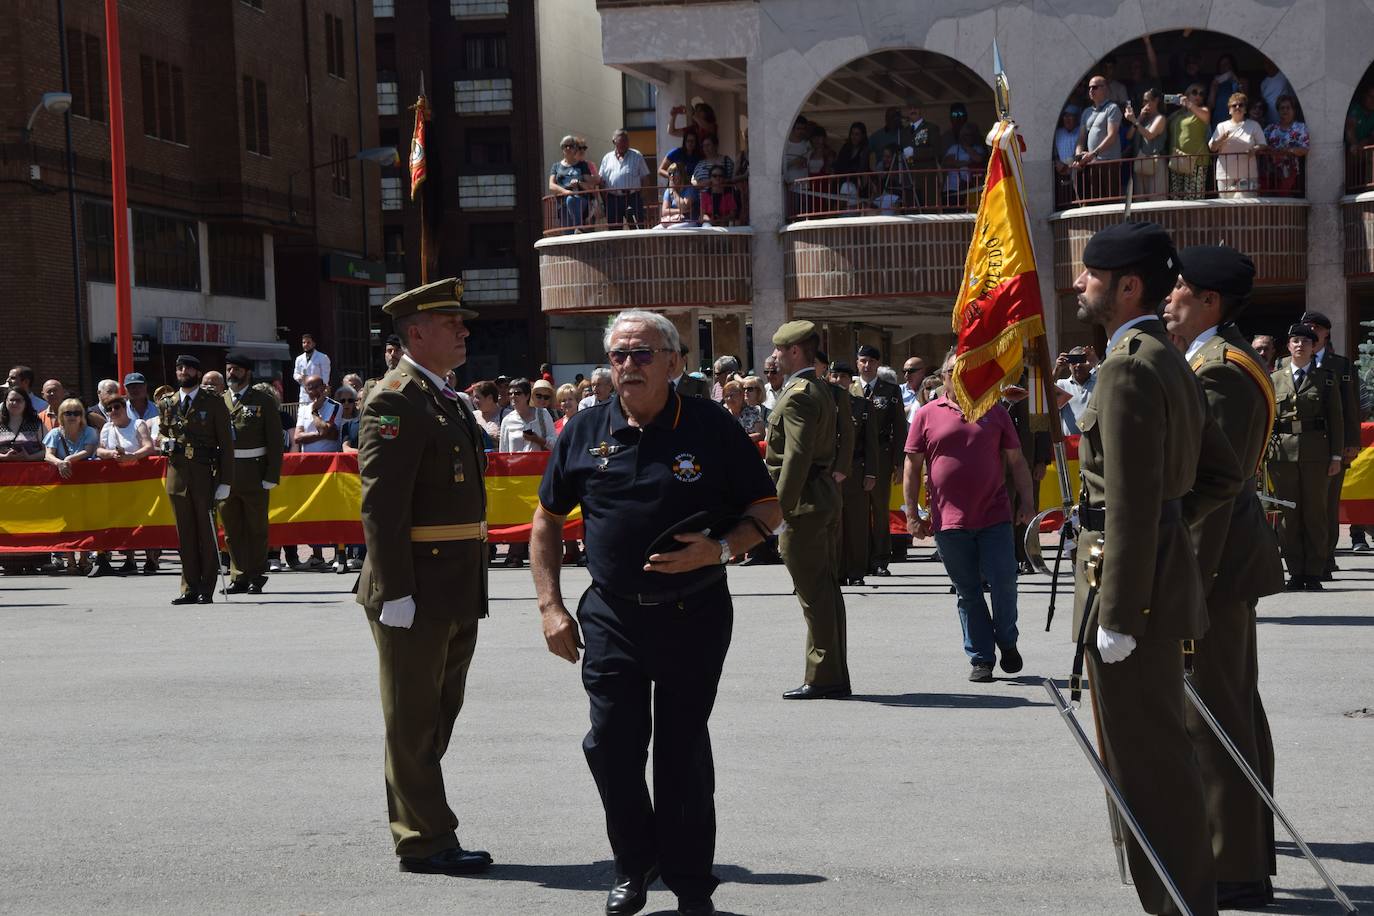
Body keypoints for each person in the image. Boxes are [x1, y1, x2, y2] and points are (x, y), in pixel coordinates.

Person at [532, 309, 778, 916]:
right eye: (618, 355)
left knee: (680, 748)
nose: (628, 365)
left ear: (674, 362)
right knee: (612, 744)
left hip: (693, 612)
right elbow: (545, 520)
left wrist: (717, 550)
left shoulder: (710, 424)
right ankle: (632, 862)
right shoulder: (584, 429)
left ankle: (691, 881)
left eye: (642, 354)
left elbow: (768, 510)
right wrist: (550, 608)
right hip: (612, 615)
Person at [1068, 220, 1243, 916]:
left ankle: (1179, 907)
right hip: (1146, 587)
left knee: (1150, 768)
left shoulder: (1129, 365)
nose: (1080, 284)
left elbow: (1134, 505)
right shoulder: (1164, 356)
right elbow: (1219, 476)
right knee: (1156, 758)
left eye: (1089, 274)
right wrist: (1167, 542)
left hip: (1130, 603)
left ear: (1126, 284)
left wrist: (1119, 610)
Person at [355, 277, 494, 877]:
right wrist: (395, 590)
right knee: (412, 719)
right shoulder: (396, 399)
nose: (464, 330)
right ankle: (423, 838)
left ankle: (423, 820)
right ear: (416, 332)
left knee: (438, 711)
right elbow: (382, 507)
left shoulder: (442, 398)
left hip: (455, 583)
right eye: (450, 322)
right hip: (416, 587)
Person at [1162, 246, 1285, 907]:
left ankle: (1235, 864)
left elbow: (1212, 489)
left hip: (1214, 569)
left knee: (1215, 716)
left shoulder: (1222, 372)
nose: (1169, 297)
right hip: (1224, 564)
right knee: (1227, 708)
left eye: (1180, 289)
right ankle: (1240, 853)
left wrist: (1185, 587)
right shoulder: (1214, 360)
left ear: (1210, 302)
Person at [904, 352, 1032, 681]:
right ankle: (981, 657)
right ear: (943, 376)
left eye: (966, 370)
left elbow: (1017, 461)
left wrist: (1027, 503)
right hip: (948, 521)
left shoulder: (995, 411)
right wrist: (911, 513)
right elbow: (912, 465)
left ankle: (1006, 637)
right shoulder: (926, 415)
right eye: (952, 371)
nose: (958, 376)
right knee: (968, 591)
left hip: (994, 515)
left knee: (1004, 581)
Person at [766, 320, 848, 700]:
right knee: (825, 592)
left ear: (795, 351)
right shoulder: (818, 388)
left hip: (804, 504)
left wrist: (778, 511)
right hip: (821, 497)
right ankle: (830, 671)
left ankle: (823, 677)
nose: (774, 356)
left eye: (779, 350)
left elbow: (795, 457)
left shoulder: (797, 393)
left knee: (814, 595)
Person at [1282, 310, 1361, 577]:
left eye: (1314, 328)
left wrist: (1349, 443)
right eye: (1304, 329)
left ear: (1325, 333)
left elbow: (1347, 409)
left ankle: (1324, 559)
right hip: (1291, 450)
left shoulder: (1339, 366)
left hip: (1326, 446)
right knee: (1295, 508)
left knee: (1324, 505)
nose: (1308, 334)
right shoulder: (1283, 368)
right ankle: (1305, 562)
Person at [1268, 323, 1344, 590]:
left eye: (1306, 341)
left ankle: (1313, 571)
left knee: (1315, 513)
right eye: (1295, 340)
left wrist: (1336, 456)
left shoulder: (1326, 379)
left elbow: (1336, 419)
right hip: (1282, 455)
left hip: (1316, 454)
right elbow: (1267, 419)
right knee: (1289, 514)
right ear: (1288, 346)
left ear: (1314, 348)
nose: (1300, 345)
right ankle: (1295, 571)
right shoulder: (1275, 378)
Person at [157, 354, 234, 605]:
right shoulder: (168, 402)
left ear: (197, 373)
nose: (183, 371)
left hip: (205, 473)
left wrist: (226, 481)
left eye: (188, 367)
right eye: (179, 367)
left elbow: (226, 444)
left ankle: (206, 588)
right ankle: (189, 587)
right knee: (186, 535)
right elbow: (162, 432)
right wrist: (163, 443)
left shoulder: (212, 401)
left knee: (206, 534)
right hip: (177, 475)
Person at [219, 351, 284, 595]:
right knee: (232, 529)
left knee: (256, 528)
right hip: (228, 474)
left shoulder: (263, 401)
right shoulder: (221, 400)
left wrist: (271, 474)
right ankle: (239, 576)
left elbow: (275, 441)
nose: (231, 373)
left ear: (247, 372)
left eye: (236, 369)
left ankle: (256, 575)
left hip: (255, 472)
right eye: (228, 369)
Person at [854, 344, 906, 577]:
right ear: (857, 362)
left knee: (880, 508)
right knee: (858, 510)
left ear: (878, 364)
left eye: (871, 362)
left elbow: (899, 427)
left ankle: (880, 558)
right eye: (863, 361)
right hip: (855, 456)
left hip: (882, 455)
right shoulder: (849, 388)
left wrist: (899, 461)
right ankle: (860, 557)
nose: (867, 366)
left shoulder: (890, 390)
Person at [830, 362, 877, 586]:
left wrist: (871, 473)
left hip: (856, 470)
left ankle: (857, 572)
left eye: (843, 376)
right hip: (830, 473)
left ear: (851, 380)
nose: (838, 380)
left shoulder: (862, 405)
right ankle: (837, 571)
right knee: (835, 526)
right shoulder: (824, 404)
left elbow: (871, 443)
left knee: (857, 525)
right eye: (834, 376)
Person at [1074, 75, 1123, 200]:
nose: (1091, 90)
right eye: (1089, 87)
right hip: (1092, 164)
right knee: (1094, 202)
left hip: (1109, 163)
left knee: (1111, 202)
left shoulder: (1112, 108)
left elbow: (1111, 136)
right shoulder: (1086, 112)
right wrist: (1079, 156)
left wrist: (1093, 153)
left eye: (1095, 87)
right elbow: (1081, 138)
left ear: (1105, 89)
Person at [1210, 93, 1266, 199]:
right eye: (1234, 105)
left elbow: (1263, 144)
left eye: (1241, 105)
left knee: (1247, 207)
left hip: (1248, 175)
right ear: (1229, 110)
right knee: (1227, 209)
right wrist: (1221, 139)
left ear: (1245, 109)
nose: (1237, 107)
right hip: (1225, 176)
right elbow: (1212, 148)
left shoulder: (1254, 125)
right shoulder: (1221, 126)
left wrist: (1254, 149)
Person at [599, 128, 651, 229]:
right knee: (615, 230)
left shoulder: (637, 155)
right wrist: (606, 200)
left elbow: (646, 179)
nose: (624, 143)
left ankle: (638, 245)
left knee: (637, 229)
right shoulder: (607, 158)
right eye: (621, 141)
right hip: (613, 198)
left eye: (626, 141)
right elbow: (601, 181)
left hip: (633, 197)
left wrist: (641, 198)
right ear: (614, 141)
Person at [1167, 84, 1212, 200]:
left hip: (1196, 161)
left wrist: (1189, 104)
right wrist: (1174, 104)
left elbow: (1206, 117)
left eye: (1201, 94)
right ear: (1186, 95)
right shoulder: (1177, 114)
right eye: (1194, 92)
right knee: (1177, 198)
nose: (1198, 95)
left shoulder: (1203, 110)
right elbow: (1165, 125)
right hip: (1177, 160)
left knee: (1194, 199)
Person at [1124, 90, 1168, 199]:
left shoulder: (1160, 118)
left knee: (1157, 199)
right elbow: (1129, 136)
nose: (1144, 104)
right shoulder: (1142, 120)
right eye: (1143, 101)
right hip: (1140, 161)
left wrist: (1134, 120)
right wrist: (1138, 118)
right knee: (1140, 199)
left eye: (1146, 101)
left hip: (1155, 161)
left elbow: (1149, 135)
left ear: (1156, 101)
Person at [1263, 94, 1308, 196]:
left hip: (1293, 175)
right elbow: (1261, 145)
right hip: (1272, 175)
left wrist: (1288, 150)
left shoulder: (1300, 128)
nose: (1285, 110)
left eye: (1288, 107)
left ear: (1293, 110)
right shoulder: (1270, 129)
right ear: (1278, 110)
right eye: (1282, 108)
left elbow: (1305, 149)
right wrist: (1272, 151)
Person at [498, 378, 556, 454]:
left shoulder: (543, 414)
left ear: (527, 396)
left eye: (517, 393)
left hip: (539, 464)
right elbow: (503, 451)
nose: (513, 396)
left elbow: (555, 444)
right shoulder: (507, 420)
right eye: (510, 393)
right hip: (516, 465)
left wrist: (538, 440)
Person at [549, 135, 594, 231]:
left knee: (571, 200)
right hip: (562, 204)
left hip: (580, 201)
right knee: (568, 234)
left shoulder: (582, 165)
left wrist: (578, 183)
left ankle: (578, 227)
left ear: (575, 149)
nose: (568, 148)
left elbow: (590, 186)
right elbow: (551, 185)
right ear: (562, 148)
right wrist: (565, 191)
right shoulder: (556, 166)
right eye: (566, 146)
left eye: (571, 146)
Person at [1055, 346, 1097, 434]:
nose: (1078, 365)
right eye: (1074, 362)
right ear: (1069, 366)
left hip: (1094, 439)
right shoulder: (1062, 385)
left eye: (1081, 361)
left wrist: (1095, 363)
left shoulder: (1098, 382)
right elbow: (1045, 392)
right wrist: (1057, 369)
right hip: (1071, 442)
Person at [0, 387, 45, 461]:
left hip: (32, 471)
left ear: (26, 402)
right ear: (5, 402)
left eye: (18, 400)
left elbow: (48, 451)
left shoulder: (37, 423)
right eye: (11, 400)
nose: (14, 403)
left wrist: (29, 458)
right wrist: (4, 457)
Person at [362, 334, 404, 407]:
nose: (392, 354)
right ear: (385, 354)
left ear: (403, 354)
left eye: (397, 350)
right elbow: (363, 414)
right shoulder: (371, 385)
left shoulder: (411, 382)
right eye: (389, 351)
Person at [1053, 105, 1082, 208]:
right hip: (1062, 172)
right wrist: (1058, 162)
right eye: (1065, 116)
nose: (1067, 119)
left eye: (1070, 116)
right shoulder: (1058, 133)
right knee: (1064, 201)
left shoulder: (1080, 131)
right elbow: (1054, 153)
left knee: (1078, 201)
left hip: (1078, 171)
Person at [293, 333, 331, 404]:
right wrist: (300, 377)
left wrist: (321, 390)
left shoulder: (323, 357)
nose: (305, 345)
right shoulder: (299, 359)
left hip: (318, 392)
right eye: (304, 342)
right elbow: (295, 374)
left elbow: (325, 377)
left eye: (308, 342)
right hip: (304, 393)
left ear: (313, 344)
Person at [659, 163, 697, 228]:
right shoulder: (668, 191)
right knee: (656, 230)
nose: (672, 176)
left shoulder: (689, 189)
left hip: (689, 220)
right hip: (673, 219)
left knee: (672, 229)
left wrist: (674, 191)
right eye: (670, 173)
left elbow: (684, 206)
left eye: (675, 173)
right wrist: (680, 211)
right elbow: (664, 211)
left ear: (682, 175)